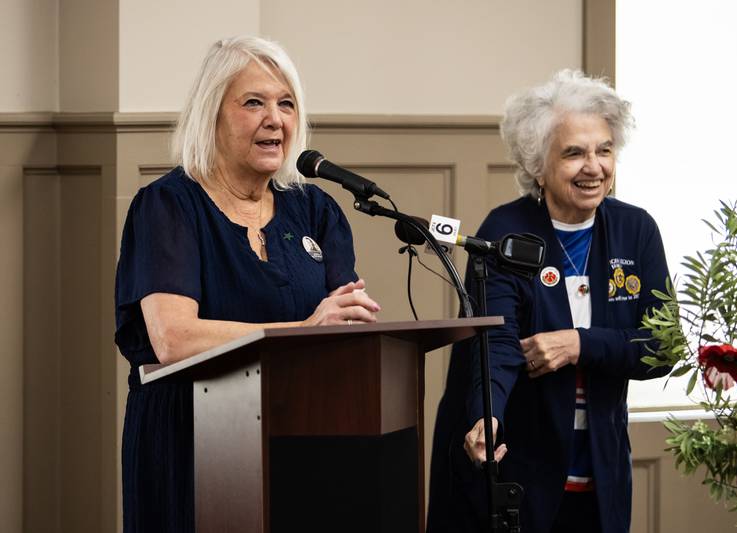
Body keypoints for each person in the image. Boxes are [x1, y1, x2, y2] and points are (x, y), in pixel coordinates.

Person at [114, 36, 381, 532]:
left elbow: (342, 326)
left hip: (304, 438)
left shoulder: (316, 210)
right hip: (191, 444)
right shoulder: (169, 207)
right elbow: (174, 339)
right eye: (253, 102)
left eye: (286, 103)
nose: (274, 119)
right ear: (211, 114)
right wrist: (301, 327)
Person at [427, 70, 671, 533]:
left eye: (604, 150)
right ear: (538, 164)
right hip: (525, 477)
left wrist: (580, 344)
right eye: (574, 153)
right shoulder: (504, 230)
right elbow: (493, 344)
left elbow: (662, 346)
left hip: (602, 474)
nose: (594, 167)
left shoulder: (636, 231)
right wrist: (487, 416)